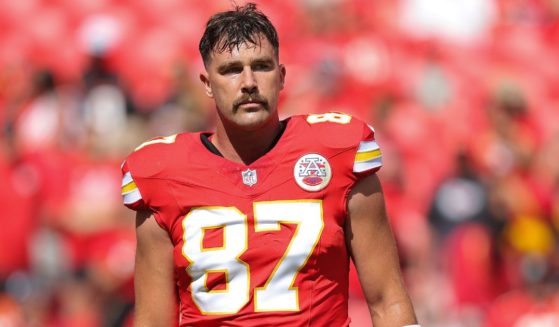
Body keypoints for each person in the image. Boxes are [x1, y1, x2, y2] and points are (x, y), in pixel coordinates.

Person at [121, 3, 419, 326]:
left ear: (281, 77)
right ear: (207, 83)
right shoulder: (163, 175)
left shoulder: (337, 154)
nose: (248, 82)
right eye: (232, 70)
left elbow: (387, 299)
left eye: (261, 67)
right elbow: (153, 320)